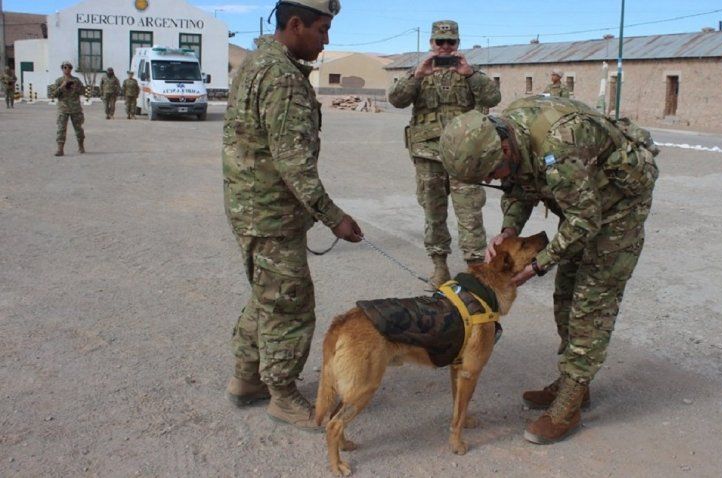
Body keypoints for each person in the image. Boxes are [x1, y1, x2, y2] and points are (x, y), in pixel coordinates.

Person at [439, 95, 658, 444]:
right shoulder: (507, 133)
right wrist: (510, 229)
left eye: (493, 172)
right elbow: (519, 189)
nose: (495, 180)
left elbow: (586, 220)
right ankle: (575, 383)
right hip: (581, 203)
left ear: (505, 150)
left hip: (617, 210)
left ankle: (569, 404)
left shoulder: (559, 145)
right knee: (566, 294)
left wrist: (539, 263)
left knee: (591, 304)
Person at [222, 0, 361, 431]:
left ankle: (247, 378)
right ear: (295, 24)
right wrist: (333, 216)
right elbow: (293, 163)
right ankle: (282, 395)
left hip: (254, 205)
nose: (326, 40)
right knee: (290, 305)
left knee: (268, 294)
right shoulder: (282, 77)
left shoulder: (258, 61)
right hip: (270, 212)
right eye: (321, 29)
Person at [388, 20, 501, 289]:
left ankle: (476, 269)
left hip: (465, 157)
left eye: (450, 42)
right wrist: (417, 74)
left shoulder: (472, 73)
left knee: (470, 213)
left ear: (458, 44)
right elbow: (396, 100)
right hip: (428, 155)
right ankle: (439, 268)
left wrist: (470, 74)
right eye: (440, 42)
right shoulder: (417, 72)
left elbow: (493, 98)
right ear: (431, 43)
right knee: (433, 213)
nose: (445, 47)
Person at [50, 61, 86, 157]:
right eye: (65, 67)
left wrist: (76, 88)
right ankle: (60, 149)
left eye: (69, 67)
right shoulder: (59, 81)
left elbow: (83, 91)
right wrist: (62, 87)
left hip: (75, 109)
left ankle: (81, 146)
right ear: (62, 68)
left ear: (71, 69)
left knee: (78, 128)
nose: (67, 69)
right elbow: (53, 95)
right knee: (61, 129)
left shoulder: (76, 80)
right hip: (63, 109)